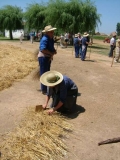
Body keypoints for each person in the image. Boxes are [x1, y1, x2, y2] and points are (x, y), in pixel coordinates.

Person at [38, 25, 57, 94]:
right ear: (47, 32)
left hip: (47, 57)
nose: (53, 32)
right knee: (43, 73)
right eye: (51, 32)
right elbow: (43, 49)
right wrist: (51, 52)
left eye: (53, 31)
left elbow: (51, 47)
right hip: (43, 57)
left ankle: (46, 88)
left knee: (47, 72)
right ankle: (44, 90)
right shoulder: (45, 39)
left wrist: (54, 50)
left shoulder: (50, 38)